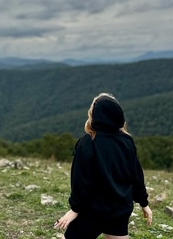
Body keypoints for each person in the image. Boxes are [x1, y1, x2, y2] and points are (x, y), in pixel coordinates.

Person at [54, 93, 152, 239]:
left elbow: (80, 181)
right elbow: (136, 175)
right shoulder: (127, 141)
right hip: (119, 211)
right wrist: (144, 202)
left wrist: (75, 209)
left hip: (92, 212)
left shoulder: (88, 142)